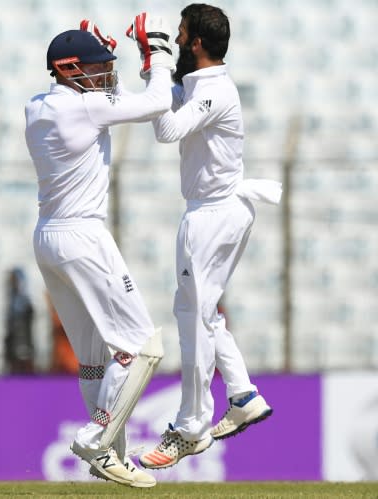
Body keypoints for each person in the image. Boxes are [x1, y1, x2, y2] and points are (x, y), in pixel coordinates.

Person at [24, 16, 175, 488]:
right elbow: (157, 102)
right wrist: (158, 56)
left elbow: (113, 97)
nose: (106, 75)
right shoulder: (84, 108)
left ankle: (110, 456)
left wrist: (108, 62)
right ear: (69, 70)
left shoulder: (38, 105)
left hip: (48, 236)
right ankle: (95, 440)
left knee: (93, 358)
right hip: (83, 237)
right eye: (98, 67)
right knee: (141, 346)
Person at [138, 4, 278, 471]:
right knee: (203, 312)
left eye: (179, 35)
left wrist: (156, 62)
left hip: (213, 215)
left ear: (195, 41)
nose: (176, 42)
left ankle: (191, 427)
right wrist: (141, 67)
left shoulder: (216, 90)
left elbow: (166, 129)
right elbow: (162, 101)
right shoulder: (200, 86)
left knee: (192, 318)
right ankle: (242, 395)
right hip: (217, 210)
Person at [4, 267, 35, 375]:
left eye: (14, 279)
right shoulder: (11, 299)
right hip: (12, 348)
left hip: (24, 346)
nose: (12, 282)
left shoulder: (26, 302)